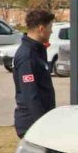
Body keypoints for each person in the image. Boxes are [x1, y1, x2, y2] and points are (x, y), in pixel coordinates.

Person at [13, 9, 56, 138]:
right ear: (41, 28)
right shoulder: (27, 56)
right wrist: (42, 124)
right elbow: (30, 95)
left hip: (41, 121)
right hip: (32, 124)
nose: (51, 31)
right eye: (50, 27)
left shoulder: (38, 50)